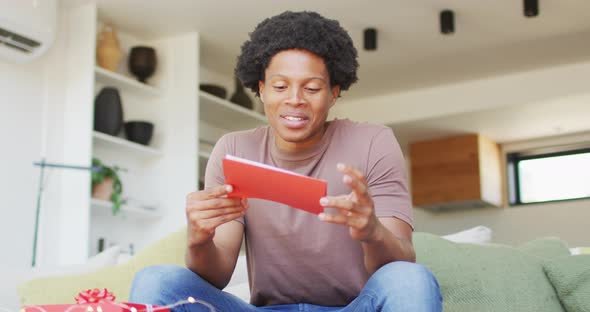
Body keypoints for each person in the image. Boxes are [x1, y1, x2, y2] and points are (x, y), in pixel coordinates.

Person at [130, 10, 442, 312]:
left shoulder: (374, 142)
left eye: (312, 87)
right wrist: (199, 240)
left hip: (353, 307)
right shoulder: (234, 149)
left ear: (334, 92)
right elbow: (218, 272)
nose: (295, 99)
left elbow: (402, 263)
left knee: (411, 279)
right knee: (154, 280)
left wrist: (373, 232)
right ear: (262, 90)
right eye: (280, 86)